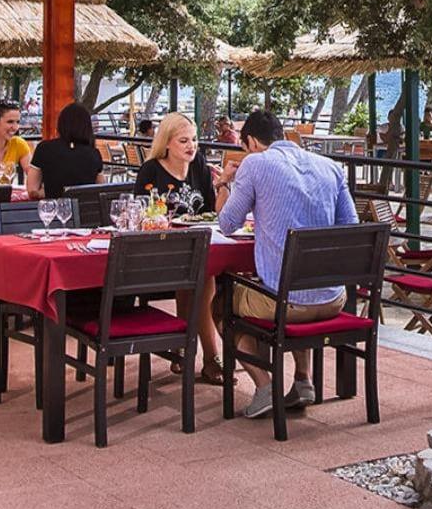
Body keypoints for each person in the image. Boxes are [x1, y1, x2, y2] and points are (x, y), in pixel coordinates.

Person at [216, 108, 358, 418]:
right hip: (334, 297)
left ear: (252, 142)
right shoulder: (330, 167)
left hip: (287, 303)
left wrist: (225, 183)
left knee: (222, 302)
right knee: (294, 278)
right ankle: (303, 380)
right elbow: (351, 228)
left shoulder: (255, 163)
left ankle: (264, 387)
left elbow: (226, 224)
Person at [136, 112, 228, 381]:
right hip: (159, 251)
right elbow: (141, 215)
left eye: (194, 140)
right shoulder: (151, 170)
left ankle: (184, 347)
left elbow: (212, 212)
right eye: (184, 140)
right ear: (166, 143)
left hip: (195, 247)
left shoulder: (199, 165)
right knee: (203, 273)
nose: (192, 146)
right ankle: (210, 358)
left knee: (200, 269)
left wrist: (224, 184)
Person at [28, 102, 102, 198]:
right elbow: (101, 189)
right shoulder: (94, 154)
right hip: (84, 206)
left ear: (61, 124)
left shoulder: (44, 148)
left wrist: (45, 191)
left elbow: (32, 190)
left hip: (54, 205)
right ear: (87, 127)